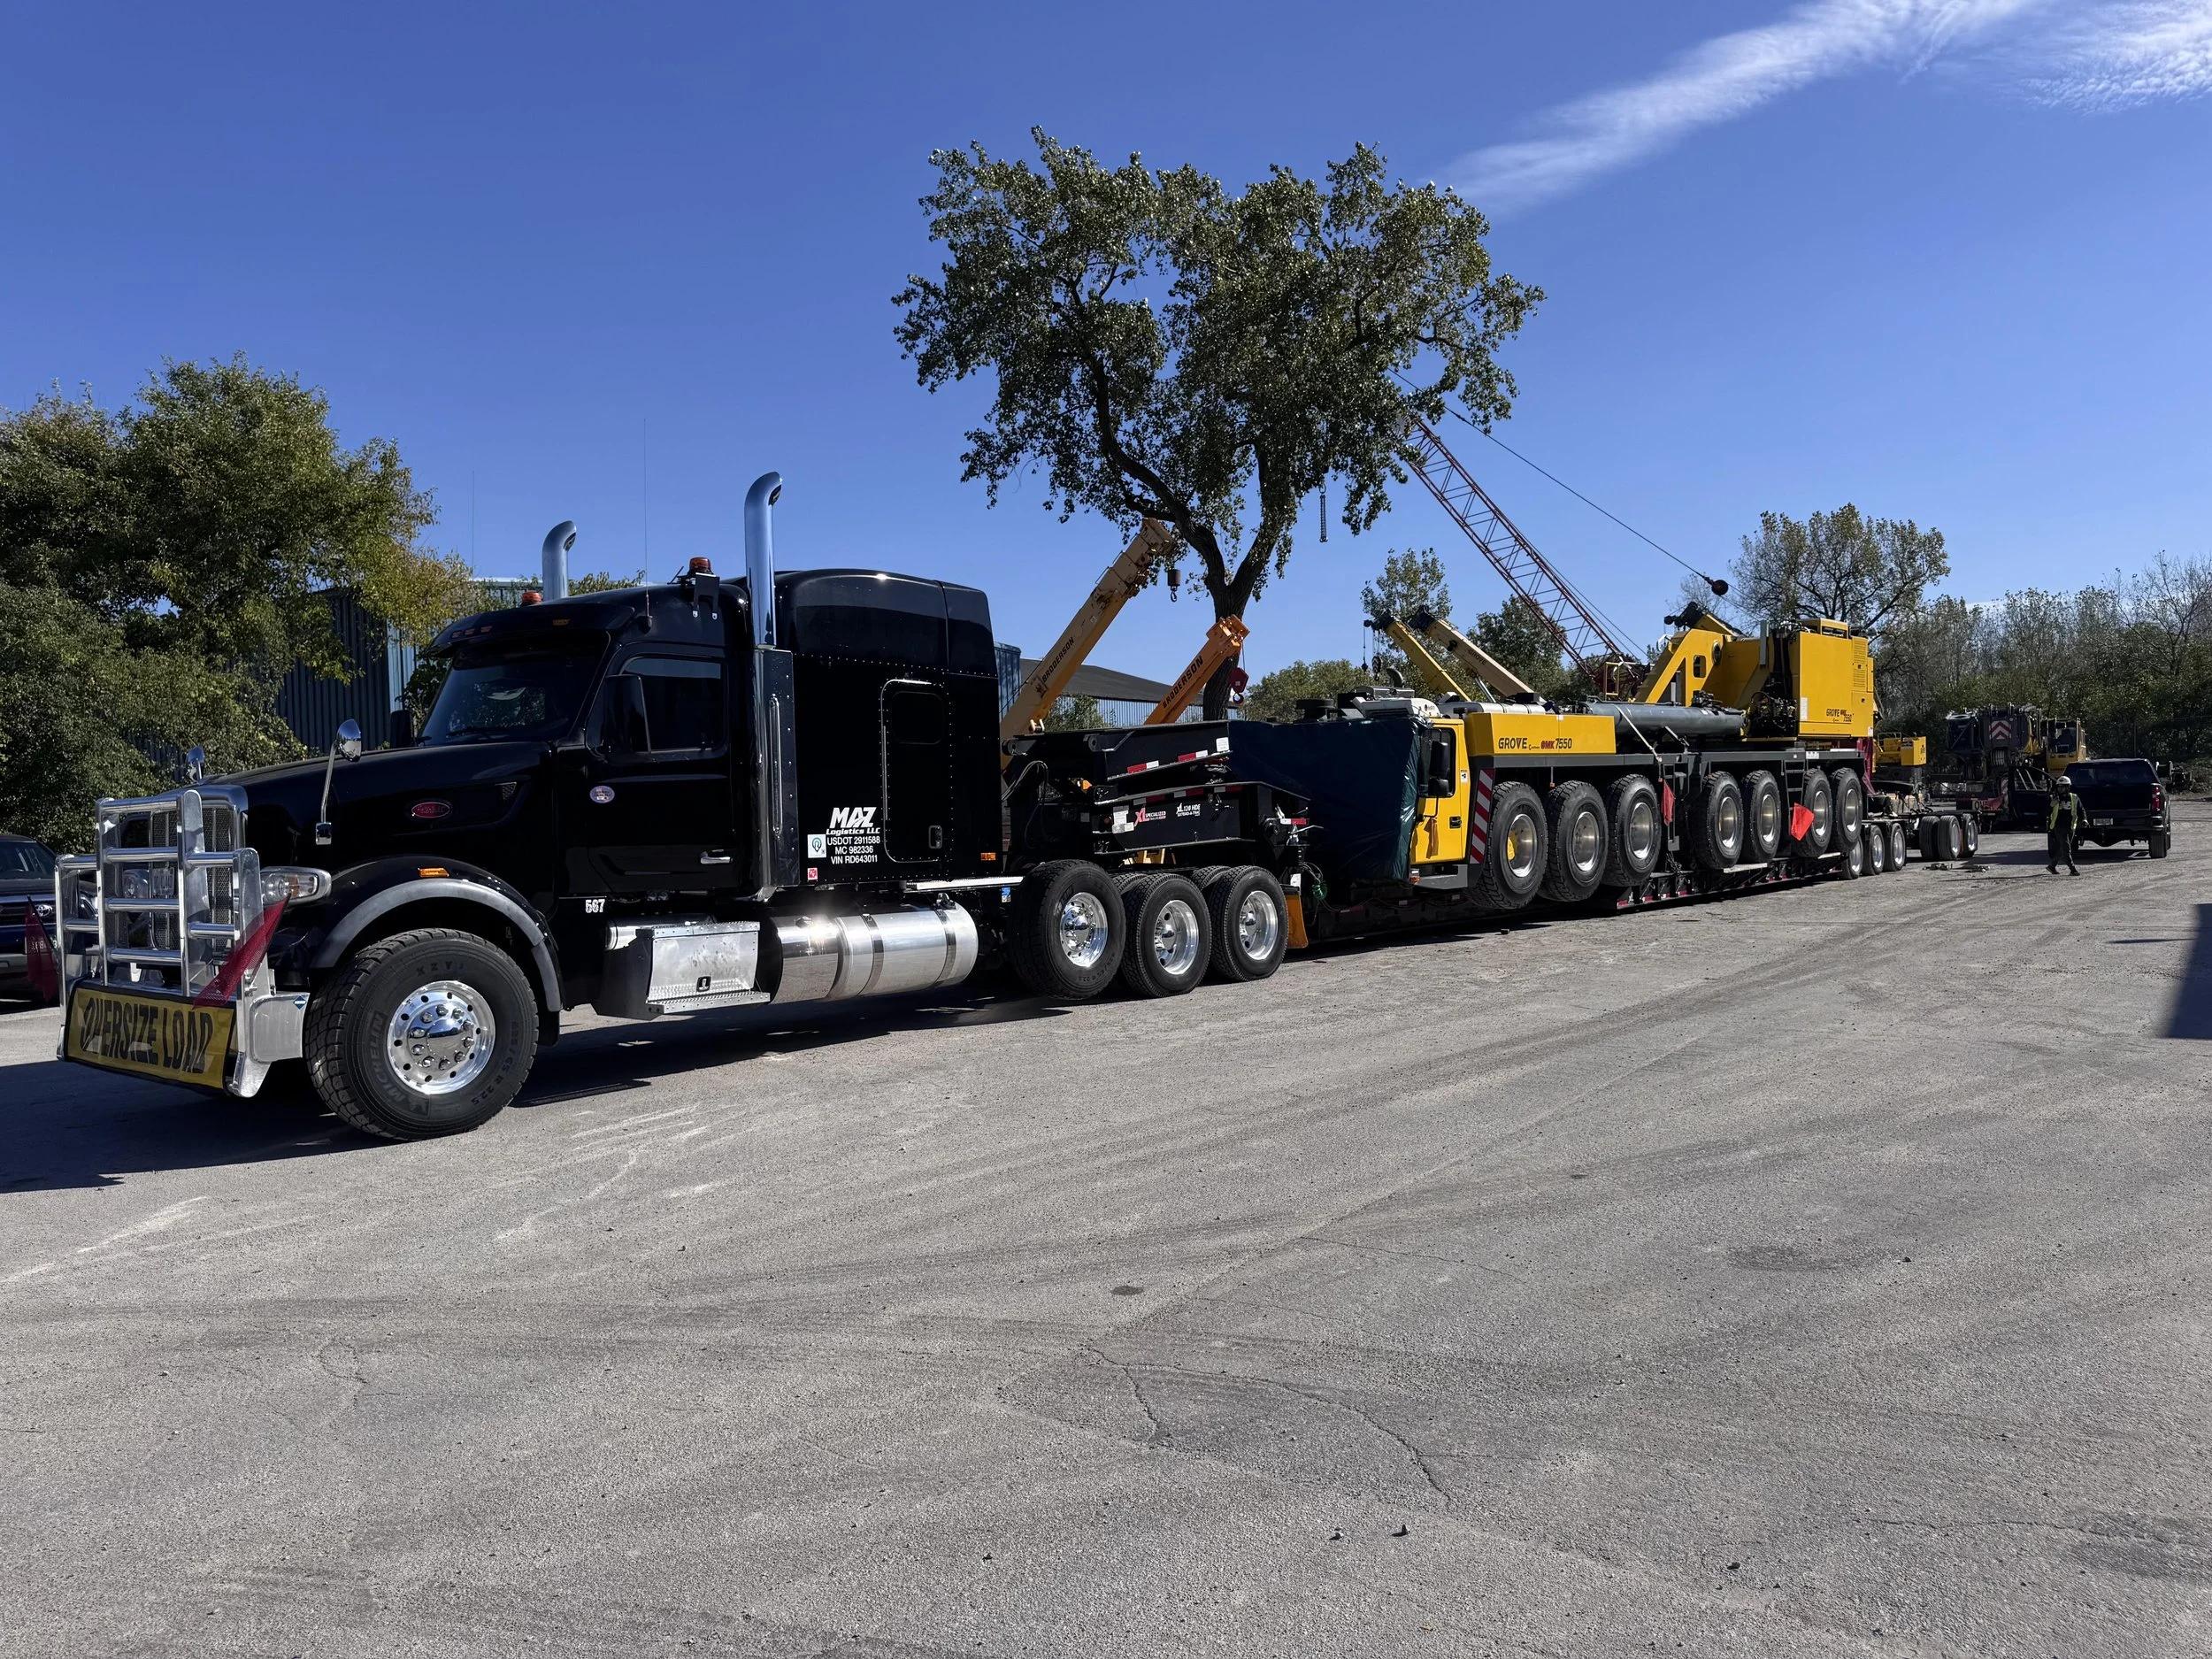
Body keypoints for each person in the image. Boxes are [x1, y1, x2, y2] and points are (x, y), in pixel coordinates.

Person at [2047, 774, 2083, 875]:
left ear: (2067, 787)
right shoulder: (2053, 798)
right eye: (2058, 786)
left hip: (2071, 827)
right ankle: (2073, 869)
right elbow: (2045, 812)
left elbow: (2081, 810)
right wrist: (2051, 805)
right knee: (2066, 849)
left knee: (2062, 848)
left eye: (2062, 786)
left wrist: (2084, 820)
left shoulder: (2074, 798)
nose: (2060, 789)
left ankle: (2052, 866)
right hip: (2058, 827)